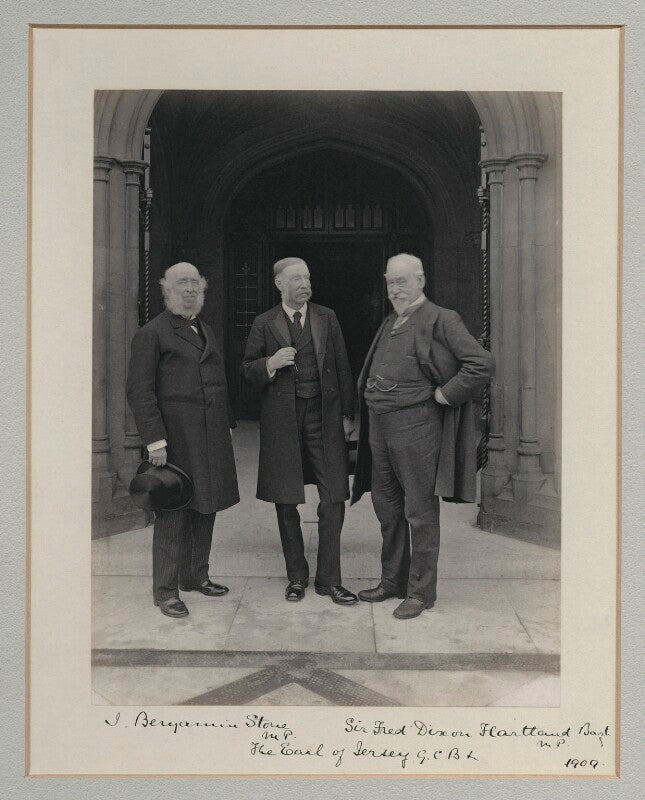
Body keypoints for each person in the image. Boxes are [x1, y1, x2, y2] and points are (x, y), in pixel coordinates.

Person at [351, 253, 494, 619]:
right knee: (387, 508)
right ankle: (392, 581)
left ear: (420, 280)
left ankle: (420, 592)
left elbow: (481, 364)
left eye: (402, 281)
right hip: (380, 429)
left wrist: (445, 394)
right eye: (390, 282)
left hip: (418, 429)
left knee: (419, 512)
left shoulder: (441, 318)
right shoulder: (391, 321)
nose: (395, 289)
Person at [126, 262, 239, 618]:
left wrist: (228, 423)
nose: (189, 289)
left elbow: (217, 379)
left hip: (209, 435)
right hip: (175, 440)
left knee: (206, 506)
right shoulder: (153, 333)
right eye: (181, 283)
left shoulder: (204, 328)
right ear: (167, 290)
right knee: (173, 512)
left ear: (202, 289)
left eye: (194, 283)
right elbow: (140, 392)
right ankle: (165, 591)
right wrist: (154, 441)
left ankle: (195, 576)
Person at [242, 257, 357, 605]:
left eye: (307, 276)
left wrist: (348, 414)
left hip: (324, 417)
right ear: (279, 284)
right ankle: (296, 576)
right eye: (296, 278)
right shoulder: (264, 323)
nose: (304, 283)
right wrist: (270, 364)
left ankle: (329, 580)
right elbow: (247, 369)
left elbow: (341, 364)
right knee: (285, 498)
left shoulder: (327, 317)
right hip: (283, 420)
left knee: (335, 496)